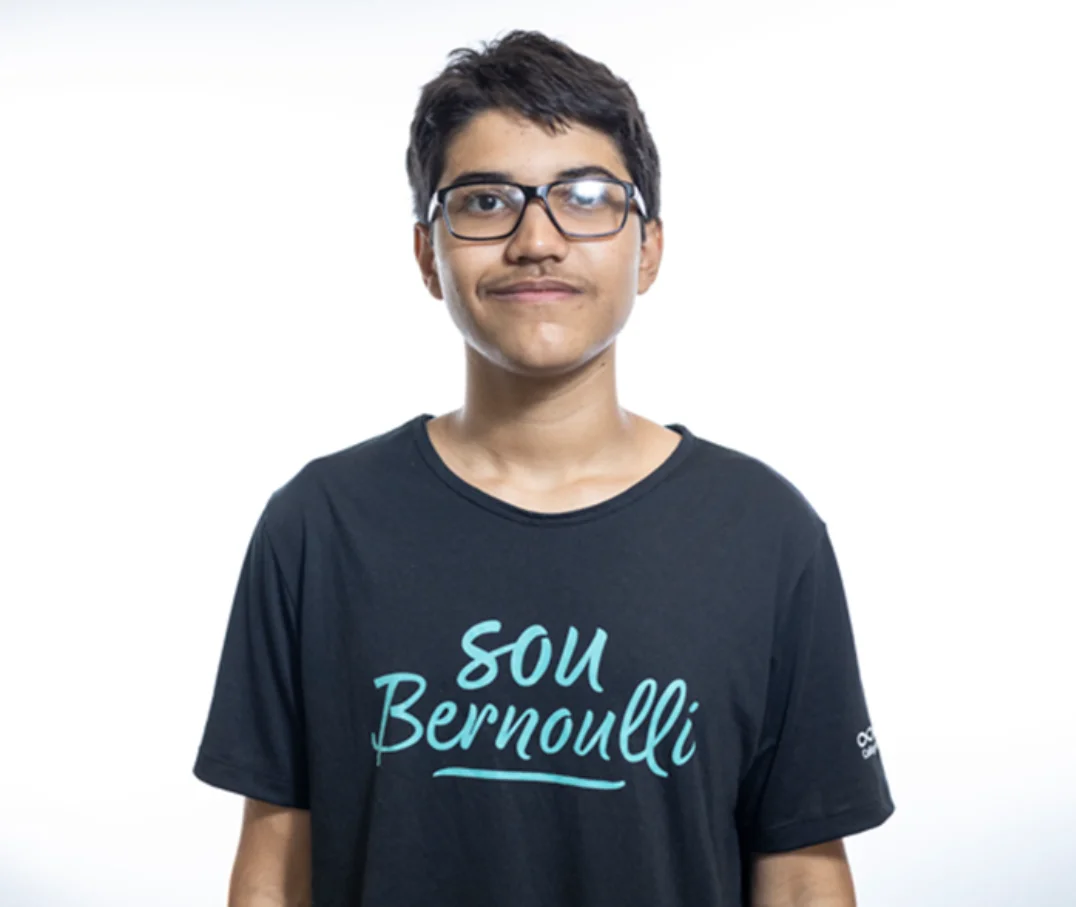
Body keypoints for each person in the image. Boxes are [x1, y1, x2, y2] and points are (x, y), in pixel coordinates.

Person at [192, 28, 895, 907]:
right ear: (427, 253)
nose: (537, 239)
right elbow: (274, 861)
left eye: (586, 197)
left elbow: (799, 872)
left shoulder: (763, 533)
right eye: (487, 201)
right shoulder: (319, 525)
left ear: (648, 248)